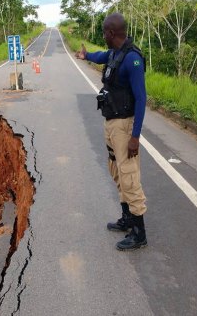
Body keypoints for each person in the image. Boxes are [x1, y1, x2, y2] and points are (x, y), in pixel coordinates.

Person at [75, 13, 147, 251]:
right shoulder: (116, 53)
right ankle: (127, 218)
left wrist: (135, 136)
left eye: (104, 32)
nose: (103, 36)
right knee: (116, 169)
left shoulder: (132, 59)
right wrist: (86, 56)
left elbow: (141, 98)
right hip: (111, 123)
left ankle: (139, 233)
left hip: (124, 126)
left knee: (129, 175)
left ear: (111, 33)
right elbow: (100, 56)